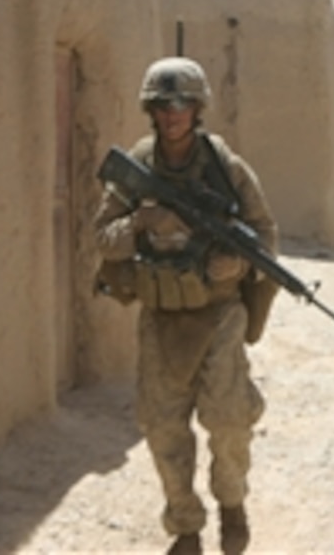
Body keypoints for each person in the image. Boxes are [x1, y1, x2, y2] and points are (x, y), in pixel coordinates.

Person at [92, 57, 276, 555]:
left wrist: (237, 267)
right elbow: (103, 239)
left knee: (230, 420)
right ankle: (186, 527)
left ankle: (232, 505)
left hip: (219, 313)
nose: (172, 113)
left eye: (182, 104)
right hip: (160, 318)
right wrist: (138, 222)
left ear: (197, 108)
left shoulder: (225, 167)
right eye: (162, 104)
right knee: (163, 426)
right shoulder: (138, 166)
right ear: (150, 110)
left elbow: (265, 238)